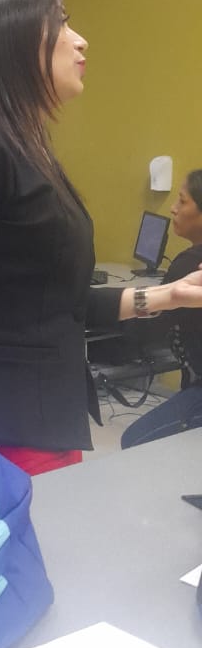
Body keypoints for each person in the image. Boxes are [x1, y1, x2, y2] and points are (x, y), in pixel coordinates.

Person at [0, 0, 202, 475]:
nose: (80, 41)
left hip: (40, 421)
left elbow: (53, 304)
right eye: (61, 24)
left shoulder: (22, 146)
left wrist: (170, 295)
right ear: (12, 40)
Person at [121, 170, 202, 448]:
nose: (173, 208)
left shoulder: (188, 264)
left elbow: (147, 329)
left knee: (133, 443)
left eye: (182, 201)